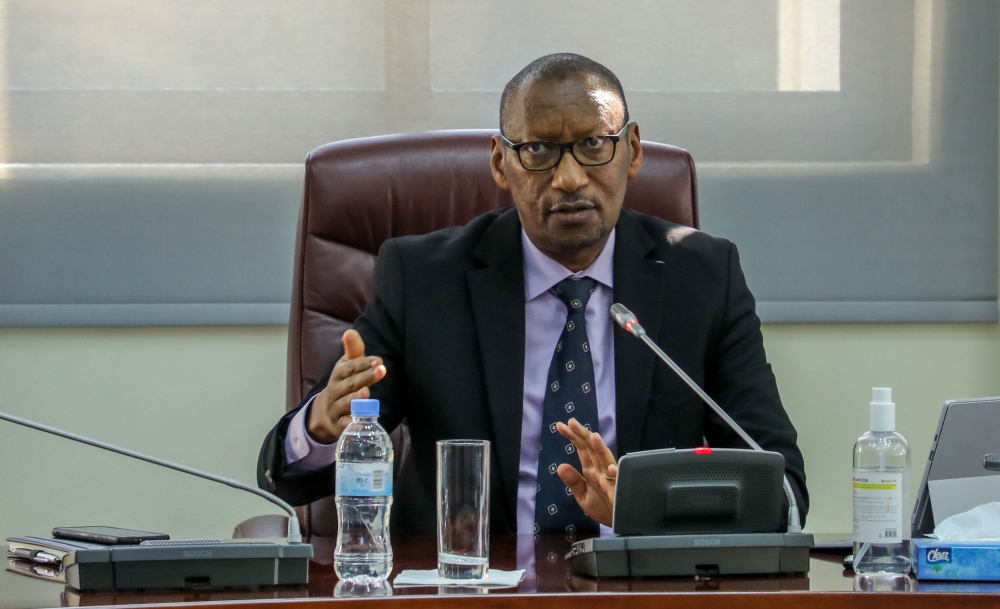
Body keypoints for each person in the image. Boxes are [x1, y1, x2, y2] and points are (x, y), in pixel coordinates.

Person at [258, 53, 807, 537]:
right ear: (501, 163)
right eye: (539, 150)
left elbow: (781, 487)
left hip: (636, 584)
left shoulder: (701, 277)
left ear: (632, 150)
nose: (569, 178)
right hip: (469, 585)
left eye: (593, 145)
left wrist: (645, 509)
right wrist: (321, 427)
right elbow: (292, 475)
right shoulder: (424, 280)